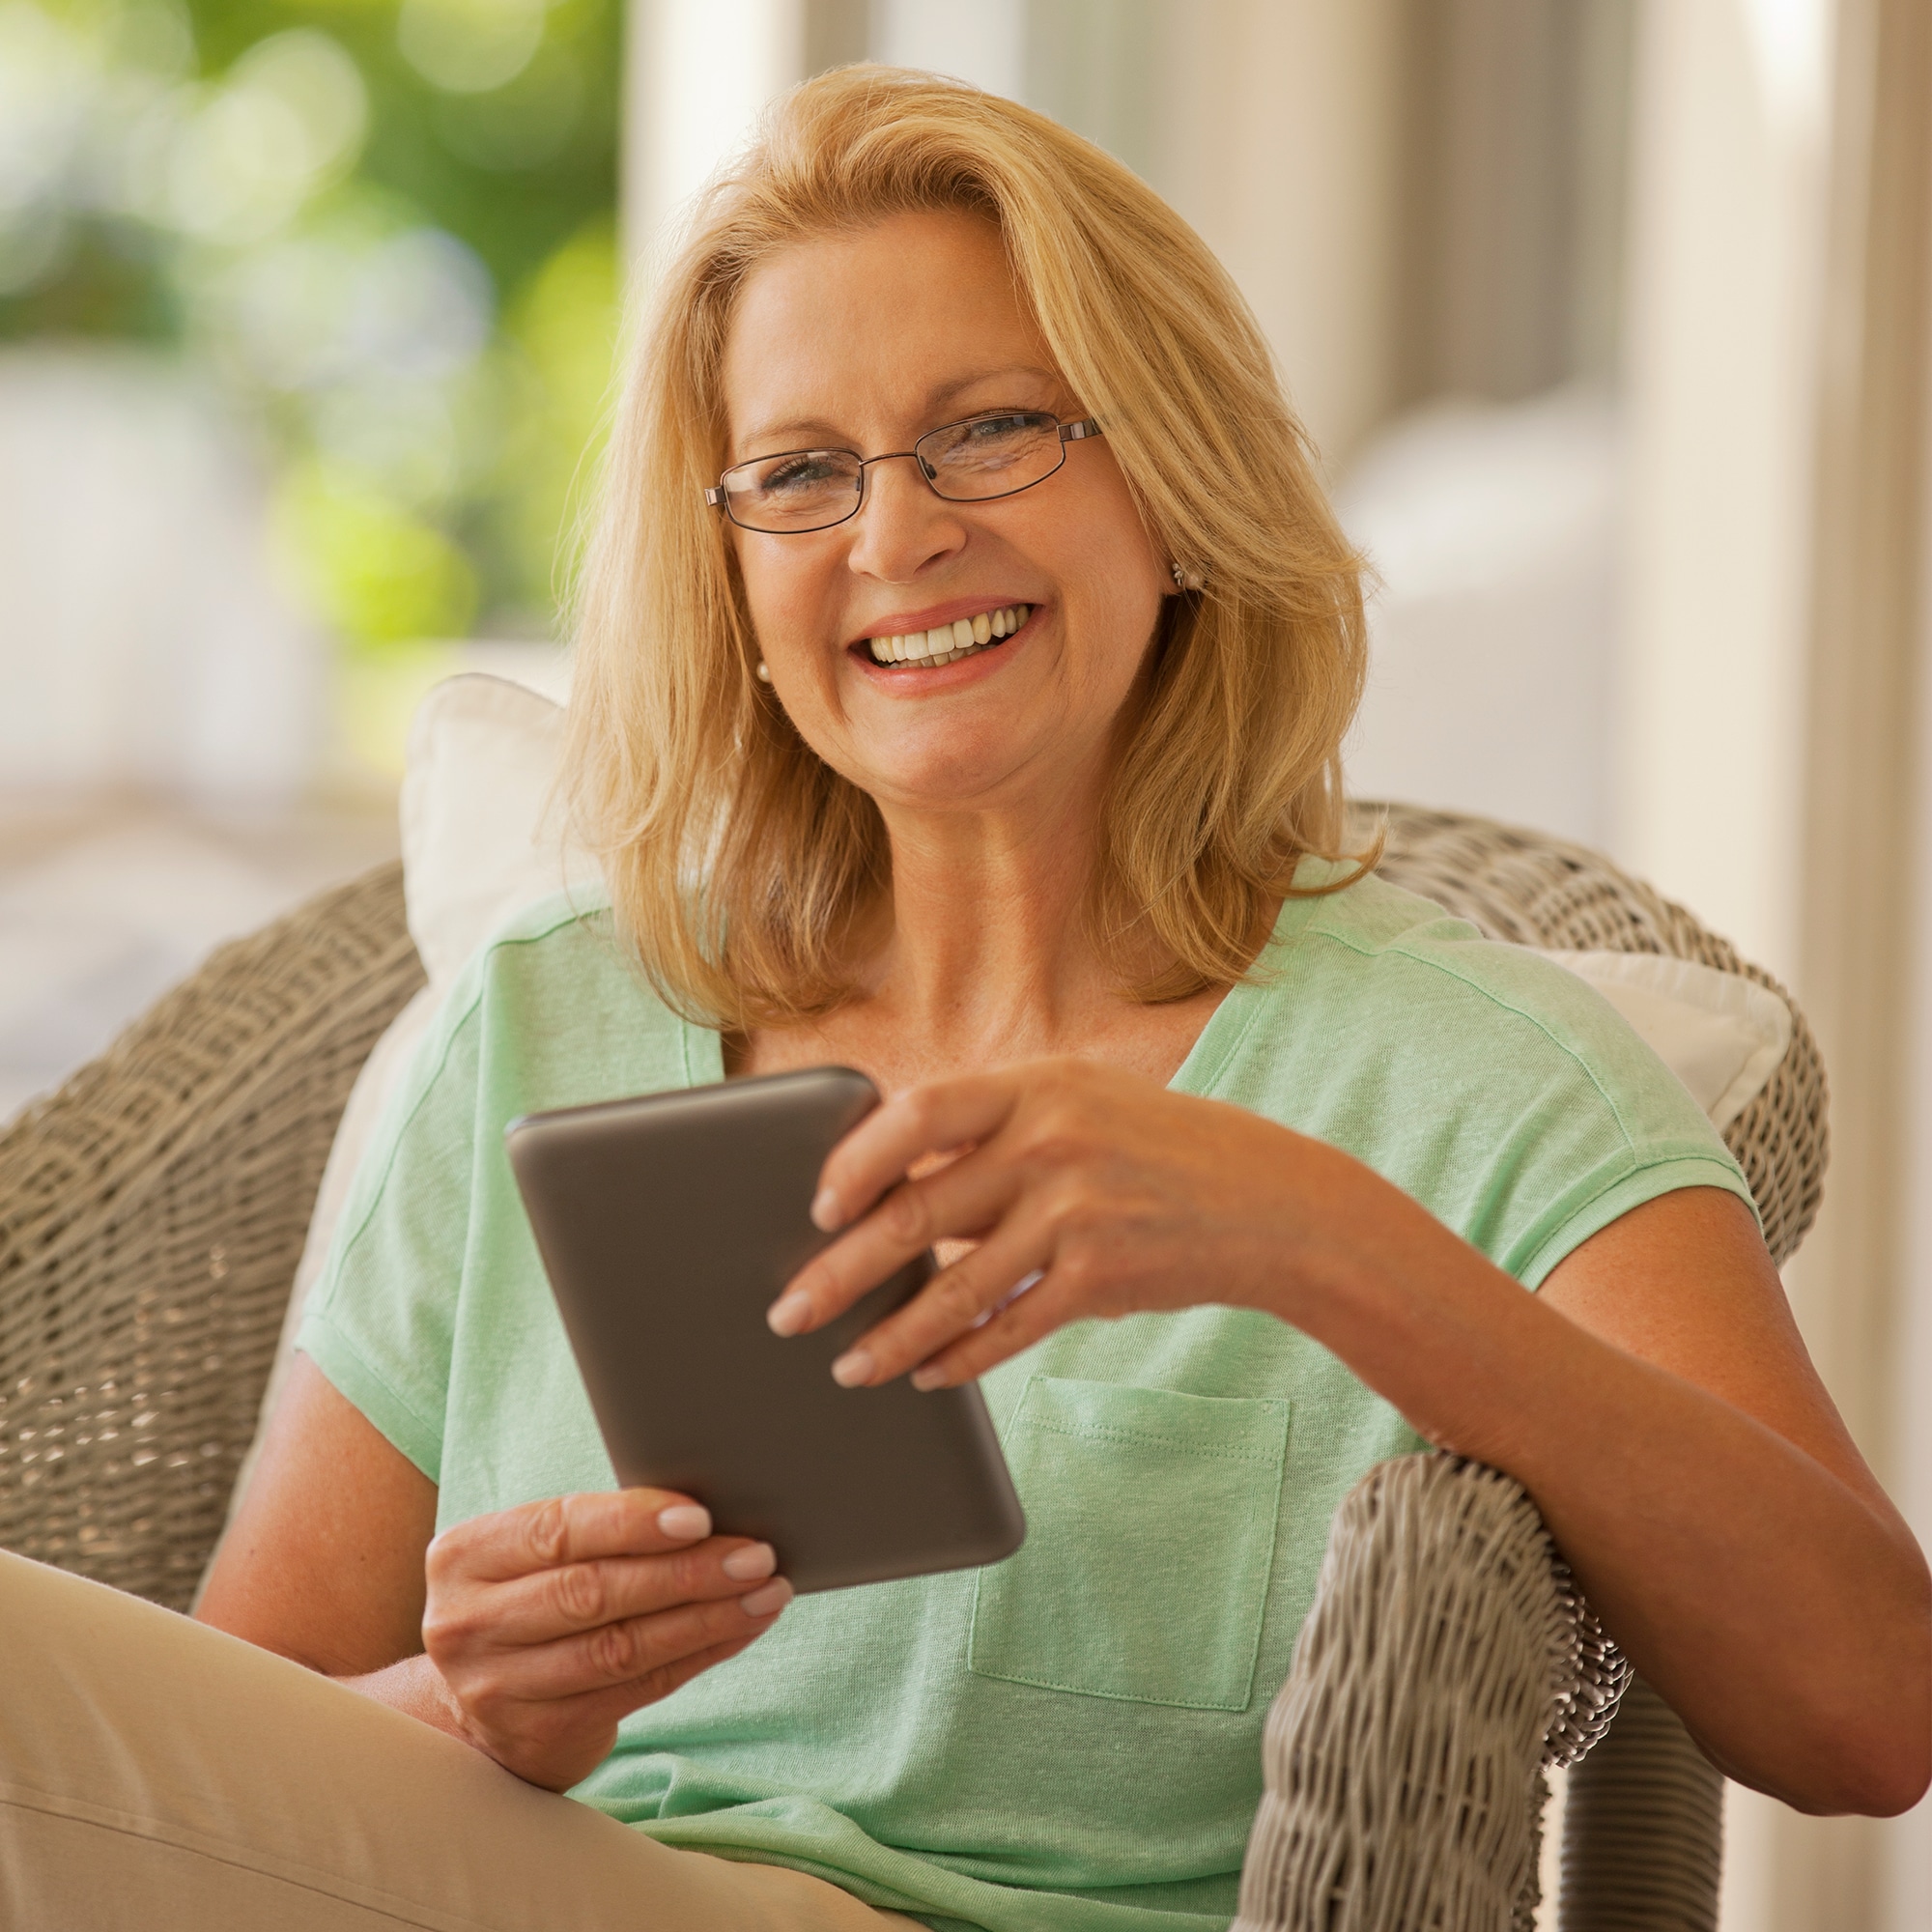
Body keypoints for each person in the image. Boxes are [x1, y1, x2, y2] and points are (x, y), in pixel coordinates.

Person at [6, 65, 1926, 1932]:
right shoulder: (542, 1020)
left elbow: (1869, 1711)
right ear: (732, 580)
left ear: (1173, 493)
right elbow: (185, 1772)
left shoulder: (1480, 1076)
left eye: (994, 428)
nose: (895, 535)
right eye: (800, 472)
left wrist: (1328, 1246)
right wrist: (475, 1706)